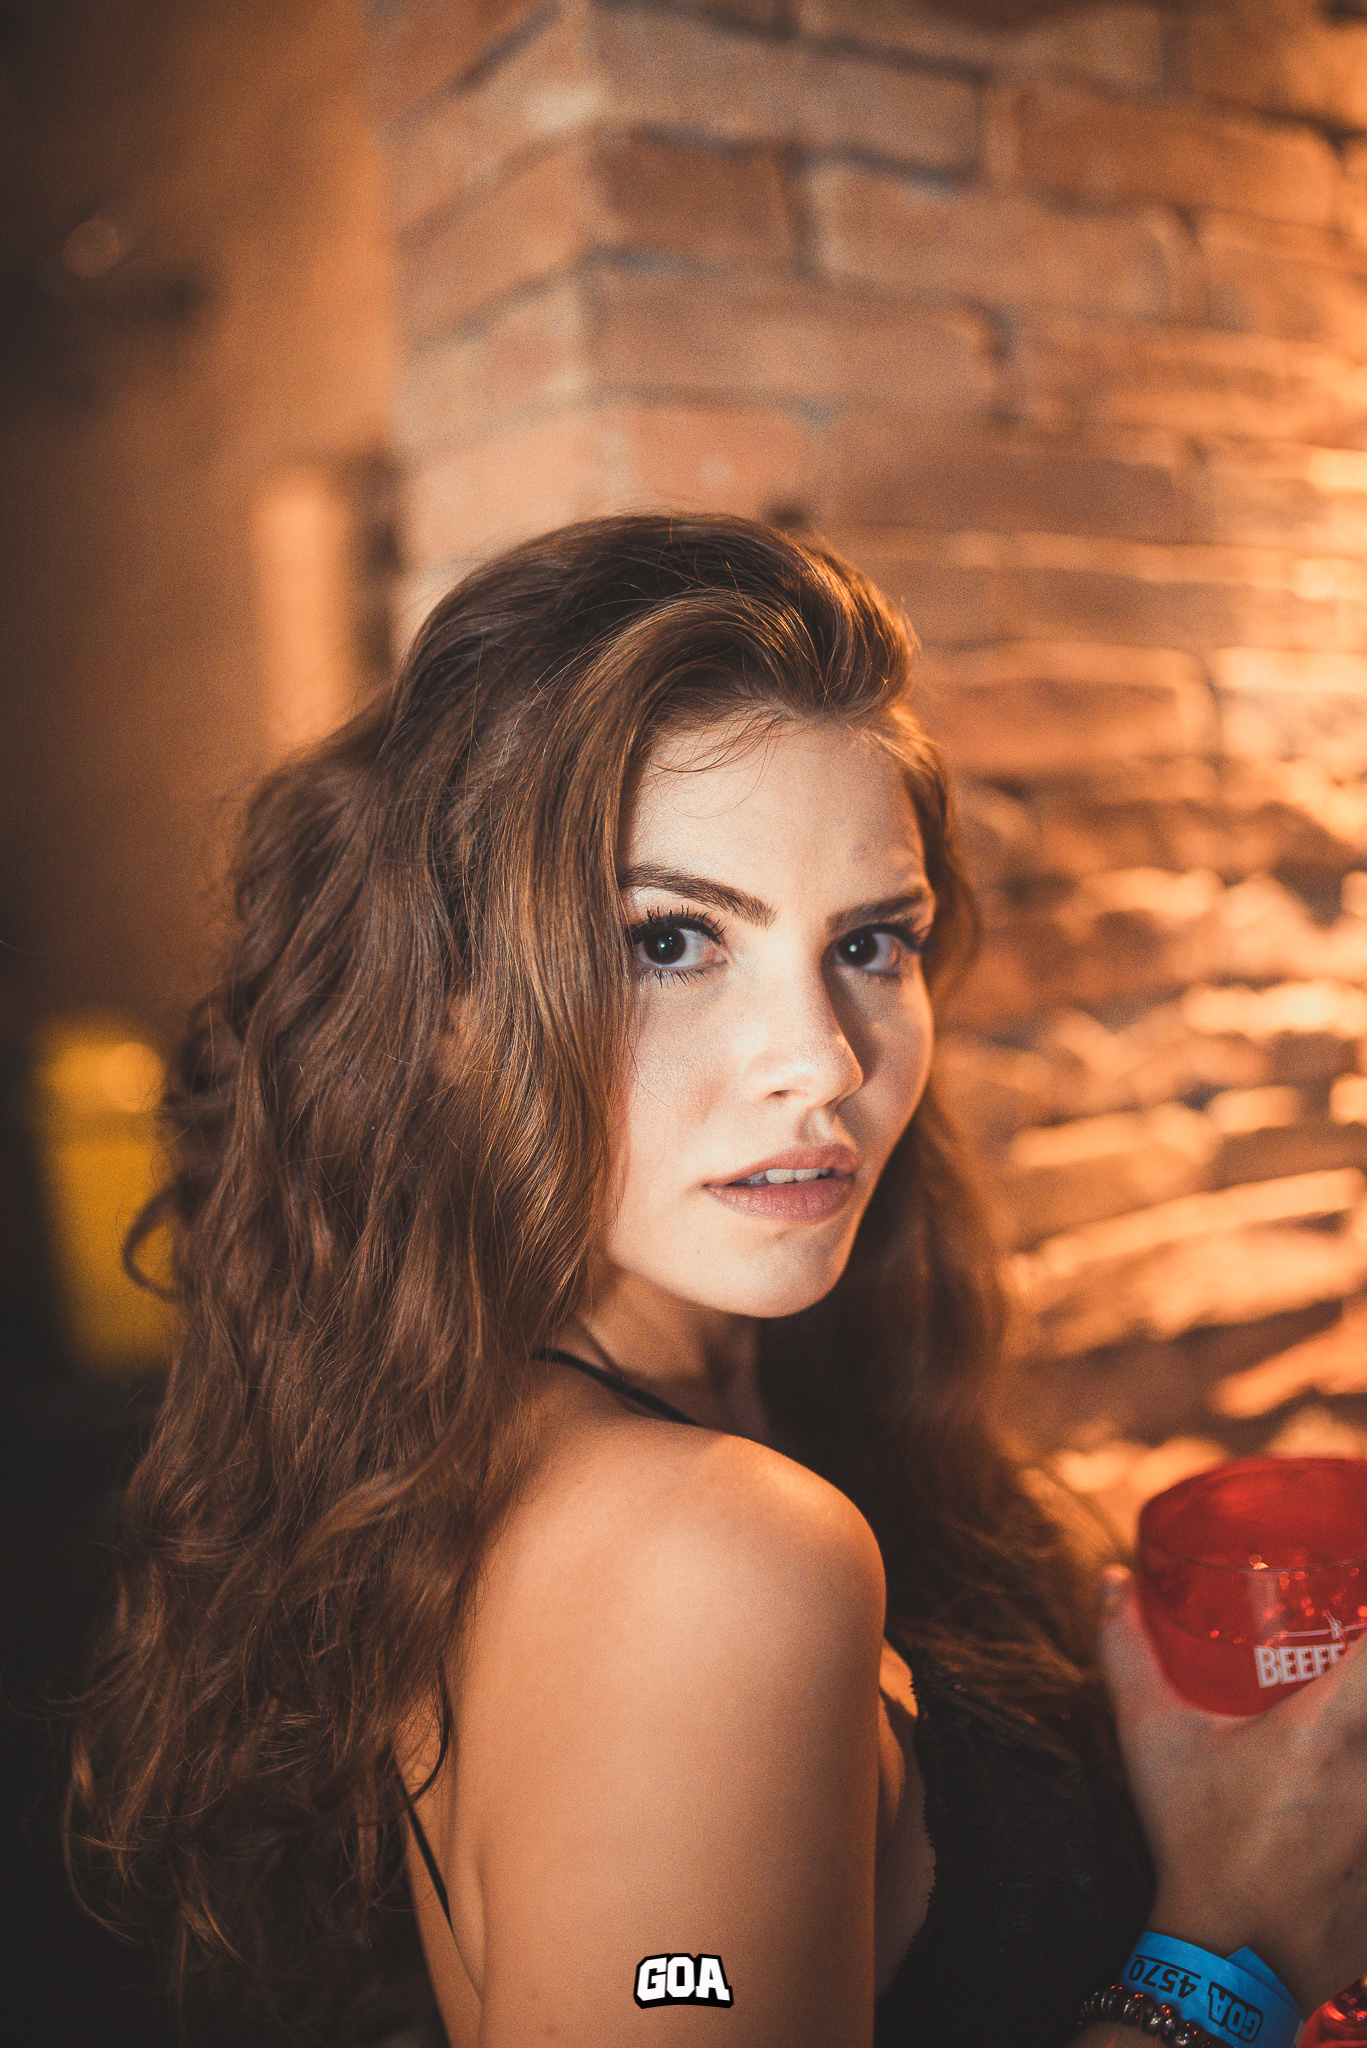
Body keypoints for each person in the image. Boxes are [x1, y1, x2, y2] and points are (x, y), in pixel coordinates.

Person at [68, 514, 1367, 2047]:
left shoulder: (710, 1391)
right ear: (449, 1007)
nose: (822, 1063)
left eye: (870, 943)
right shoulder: (704, 1562)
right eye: (673, 939)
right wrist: (1234, 1944)